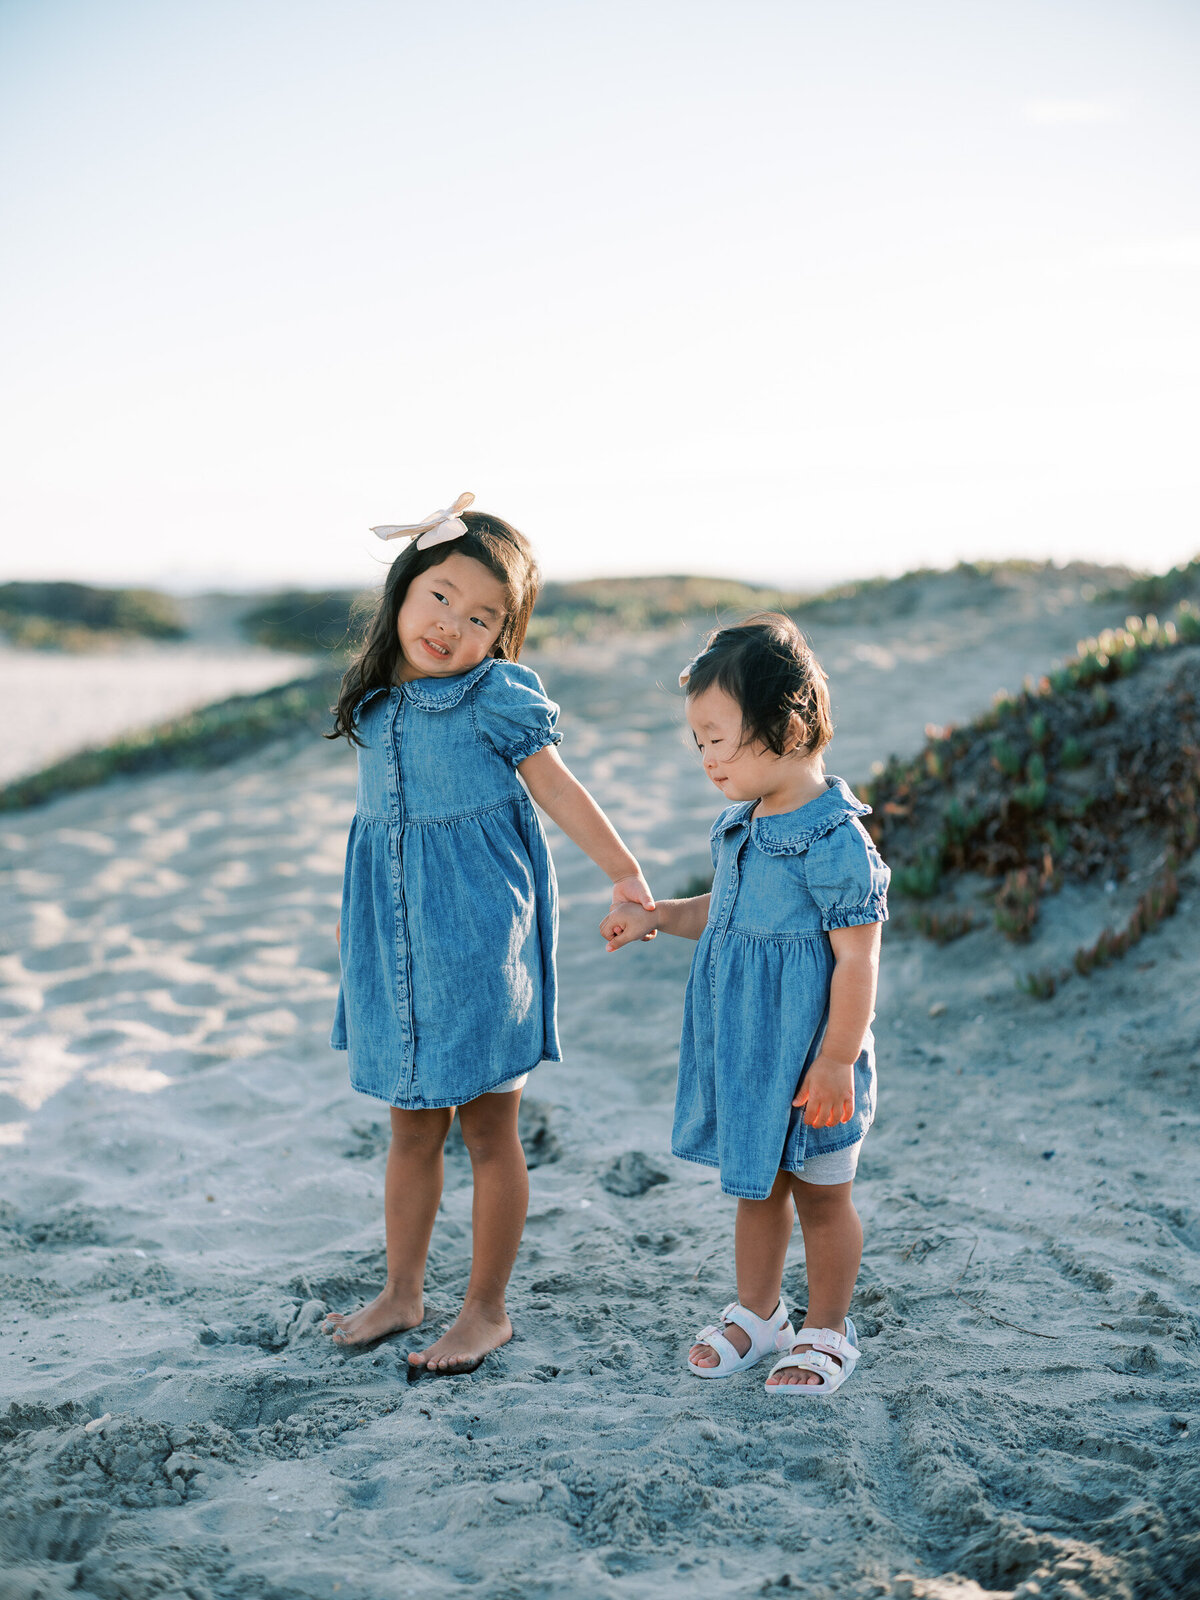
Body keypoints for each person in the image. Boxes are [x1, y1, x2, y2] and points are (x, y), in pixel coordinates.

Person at [324, 494, 654, 1375]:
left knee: (489, 1129)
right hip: (393, 944)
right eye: (440, 596)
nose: (451, 625)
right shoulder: (377, 703)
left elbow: (559, 790)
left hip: (476, 936)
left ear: (503, 637)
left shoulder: (493, 697)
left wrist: (622, 871)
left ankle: (486, 1309)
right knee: (409, 1128)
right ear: (404, 587)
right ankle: (403, 1293)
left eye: (481, 618)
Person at [600, 614, 889, 1394]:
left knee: (824, 1202)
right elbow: (720, 913)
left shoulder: (835, 841)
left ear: (785, 728)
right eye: (697, 741)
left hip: (815, 1058)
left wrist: (835, 1060)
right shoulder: (741, 826)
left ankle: (828, 1328)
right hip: (751, 1055)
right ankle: (762, 1314)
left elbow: (857, 957)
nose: (705, 758)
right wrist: (661, 916)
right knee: (755, 1189)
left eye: (717, 737)